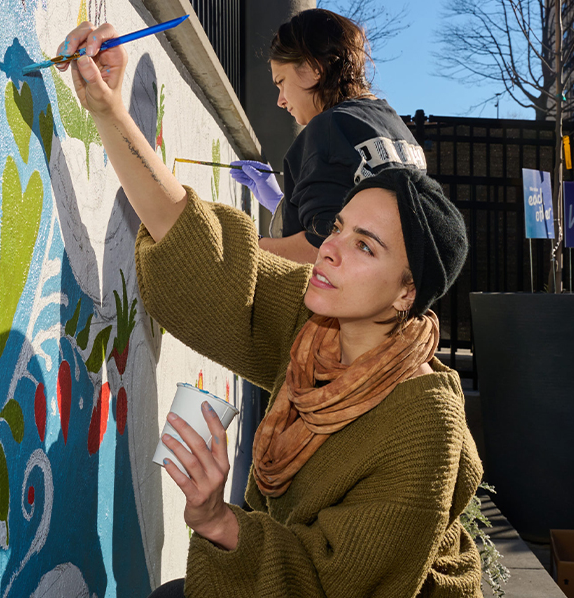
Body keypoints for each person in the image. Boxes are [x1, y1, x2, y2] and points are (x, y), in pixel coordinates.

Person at [58, 20, 482, 598]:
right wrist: (107, 109)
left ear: (407, 293)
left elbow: (333, 583)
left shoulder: (422, 425)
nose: (328, 247)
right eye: (338, 226)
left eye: (365, 245)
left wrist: (215, 518)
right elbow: (201, 249)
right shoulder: (314, 331)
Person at [231, 8, 427, 264]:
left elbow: (323, 248)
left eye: (281, 82)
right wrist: (284, 205)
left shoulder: (329, 128)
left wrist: (243, 247)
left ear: (314, 69)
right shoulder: (398, 130)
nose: (280, 101)